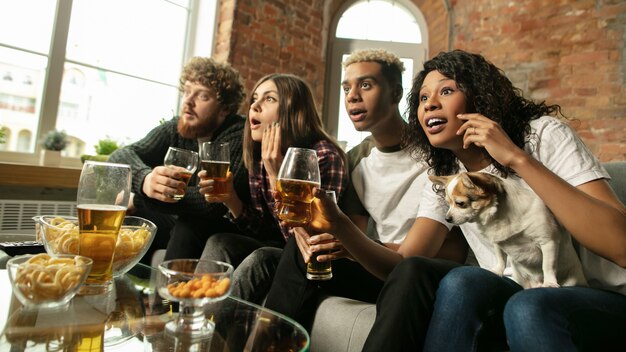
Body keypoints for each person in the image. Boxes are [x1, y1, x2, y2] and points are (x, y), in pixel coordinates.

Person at [305, 49, 626, 351]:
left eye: (445, 91)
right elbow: (407, 264)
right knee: (461, 281)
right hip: (518, 287)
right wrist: (341, 224)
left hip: (599, 295)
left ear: (479, 96)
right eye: (422, 98)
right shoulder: (446, 174)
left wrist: (516, 160)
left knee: (528, 307)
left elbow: (620, 246)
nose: (430, 104)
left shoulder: (542, 136)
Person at [262, 49, 468, 329]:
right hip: (375, 266)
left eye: (366, 85)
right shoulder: (356, 159)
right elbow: (353, 237)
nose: (352, 96)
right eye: (347, 88)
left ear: (396, 93)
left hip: (417, 275)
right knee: (281, 257)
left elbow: (452, 252)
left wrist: (353, 245)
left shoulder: (440, 152)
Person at [197, 73, 348, 302]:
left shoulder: (323, 157)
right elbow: (264, 230)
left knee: (262, 258)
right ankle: (194, 317)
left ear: (293, 111)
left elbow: (307, 241)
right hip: (283, 246)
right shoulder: (261, 156)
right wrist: (231, 200)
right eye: (254, 99)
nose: (255, 106)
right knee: (219, 242)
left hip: (311, 257)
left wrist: (277, 176)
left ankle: (215, 333)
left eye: (269, 99)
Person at [108, 56, 250, 264]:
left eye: (202, 96)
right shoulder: (177, 128)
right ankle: (110, 288)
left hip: (224, 226)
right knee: (124, 218)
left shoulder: (237, 134)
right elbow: (118, 157)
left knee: (190, 222)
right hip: (179, 217)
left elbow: (211, 204)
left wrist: (139, 200)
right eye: (187, 91)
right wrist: (145, 180)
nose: (188, 102)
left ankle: (169, 297)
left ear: (224, 109)